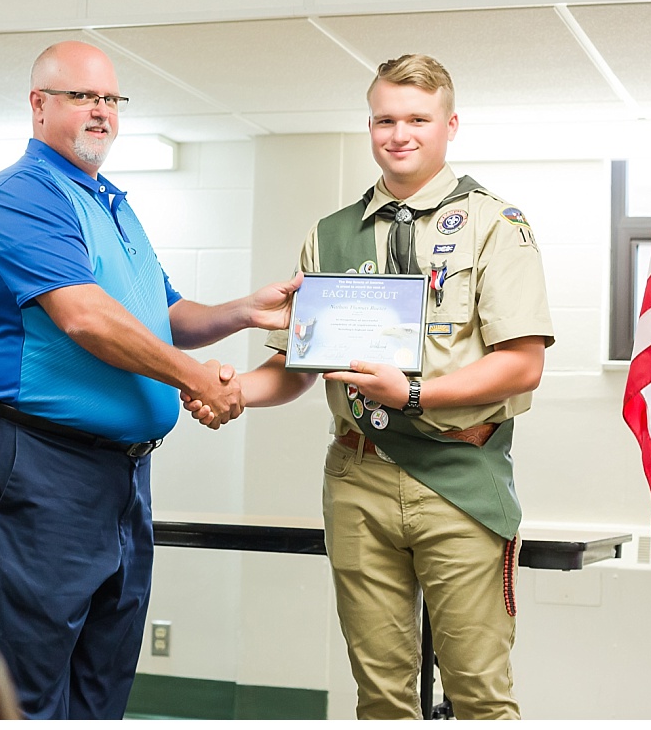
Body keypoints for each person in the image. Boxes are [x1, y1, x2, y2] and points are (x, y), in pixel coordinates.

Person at [187, 54, 555, 719]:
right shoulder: (329, 236)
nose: (400, 133)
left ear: (450, 125)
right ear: (370, 125)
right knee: (381, 696)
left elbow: (523, 362)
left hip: (460, 476)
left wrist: (414, 394)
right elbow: (293, 365)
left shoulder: (494, 224)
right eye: (385, 118)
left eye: (418, 117)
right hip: (360, 477)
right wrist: (233, 388)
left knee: (478, 692)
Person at [0, 40, 302, 719]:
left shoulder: (112, 204)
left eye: (111, 99)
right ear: (38, 105)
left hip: (122, 475)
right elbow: (86, 318)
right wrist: (201, 380)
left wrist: (244, 310)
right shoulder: (22, 196)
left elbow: (162, 314)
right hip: (43, 461)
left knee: (103, 678)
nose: (101, 111)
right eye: (82, 96)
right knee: (33, 682)